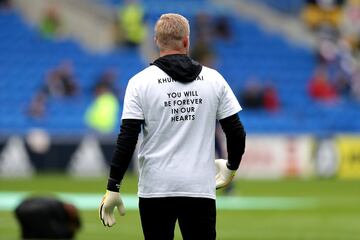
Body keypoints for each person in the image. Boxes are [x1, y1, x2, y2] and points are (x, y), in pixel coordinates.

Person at [99, 13, 246, 240]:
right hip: (198, 188)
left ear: (156, 41)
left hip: (155, 188)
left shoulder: (140, 82)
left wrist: (113, 186)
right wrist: (231, 166)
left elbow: (127, 138)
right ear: (187, 41)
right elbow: (236, 131)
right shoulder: (214, 79)